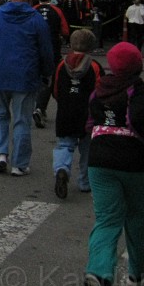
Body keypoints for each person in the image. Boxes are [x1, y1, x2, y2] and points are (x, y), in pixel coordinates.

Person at [83, 42, 144, 286]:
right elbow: (142, 122)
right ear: (138, 65)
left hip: (99, 161)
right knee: (138, 214)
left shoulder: (99, 89)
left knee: (107, 218)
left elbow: (90, 121)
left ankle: (98, 272)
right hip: (133, 162)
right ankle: (138, 269)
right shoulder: (141, 92)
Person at [0, 0, 54, 177]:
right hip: (25, 75)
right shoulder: (36, 19)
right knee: (22, 120)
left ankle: (1, 154)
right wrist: (47, 73)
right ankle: (20, 164)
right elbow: (45, 50)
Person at [51, 30, 103, 199]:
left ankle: (61, 168)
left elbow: (56, 89)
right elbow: (100, 90)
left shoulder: (62, 64)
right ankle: (85, 182)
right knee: (87, 149)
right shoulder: (94, 66)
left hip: (66, 110)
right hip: (87, 113)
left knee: (64, 144)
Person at [32, 0, 70, 128]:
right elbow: (65, 30)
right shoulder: (57, 10)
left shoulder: (32, 10)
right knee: (50, 79)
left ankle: (39, 107)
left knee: (38, 79)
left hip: (33, 49)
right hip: (52, 49)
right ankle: (41, 108)